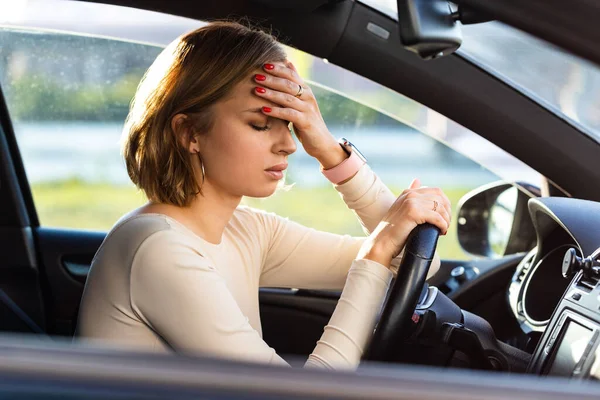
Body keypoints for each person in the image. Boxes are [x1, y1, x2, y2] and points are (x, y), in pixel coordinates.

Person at [75, 21, 451, 370]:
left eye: (290, 124)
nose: (289, 144)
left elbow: (417, 264)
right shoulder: (157, 249)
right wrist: (376, 249)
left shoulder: (247, 230)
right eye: (260, 124)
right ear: (190, 133)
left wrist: (330, 152)